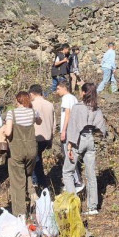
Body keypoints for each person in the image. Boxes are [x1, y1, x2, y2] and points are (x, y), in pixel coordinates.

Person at [64, 83, 107, 215]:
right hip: (90, 139)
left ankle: (74, 206)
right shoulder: (96, 108)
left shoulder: (78, 107)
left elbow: (73, 126)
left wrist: (69, 145)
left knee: (67, 172)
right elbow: (102, 128)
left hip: (78, 140)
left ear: (83, 93)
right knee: (91, 174)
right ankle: (92, 207)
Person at [0, 91, 42, 217]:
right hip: (31, 150)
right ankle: (34, 195)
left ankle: (20, 214)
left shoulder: (11, 113)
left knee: (17, 182)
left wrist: (2, 131)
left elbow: (8, 132)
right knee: (26, 173)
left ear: (17, 100)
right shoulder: (33, 112)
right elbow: (39, 122)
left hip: (17, 151)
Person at [55, 81, 83, 192]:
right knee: (71, 155)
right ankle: (75, 181)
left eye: (58, 88)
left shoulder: (66, 98)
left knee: (69, 156)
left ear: (64, 88)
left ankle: (76, 181)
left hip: (68, 131)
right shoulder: (74, 98)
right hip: (74, 131)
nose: (57, 91)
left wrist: (63, 131)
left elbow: (68, 114)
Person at [29, 84, 54, 192]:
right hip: (47, 136)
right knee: (37, 158)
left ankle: (38, 183)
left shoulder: (31, 105)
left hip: (36, 136)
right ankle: (41, 183)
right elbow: (54, 122)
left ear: (31, 94)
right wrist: (51, 136)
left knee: (35, 160)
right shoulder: (50, 104)